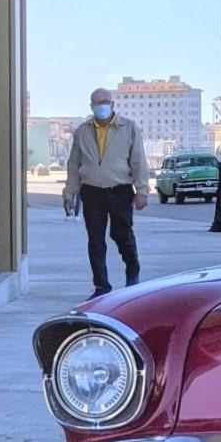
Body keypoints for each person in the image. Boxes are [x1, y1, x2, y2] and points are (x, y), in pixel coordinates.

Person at [63, 87, 150, 299]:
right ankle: (101, 286)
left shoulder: (128, 127)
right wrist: (69, 192)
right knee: (95, 240)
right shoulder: (82, 131)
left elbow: (138, 160)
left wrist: (142, 190)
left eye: (105, 102)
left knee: (122, 235)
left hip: (120, 191)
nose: (102, 106)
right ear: (91, 106)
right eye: (97, 103)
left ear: (112, 104)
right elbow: (74, 165)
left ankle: (133, 274)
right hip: (92, 192)